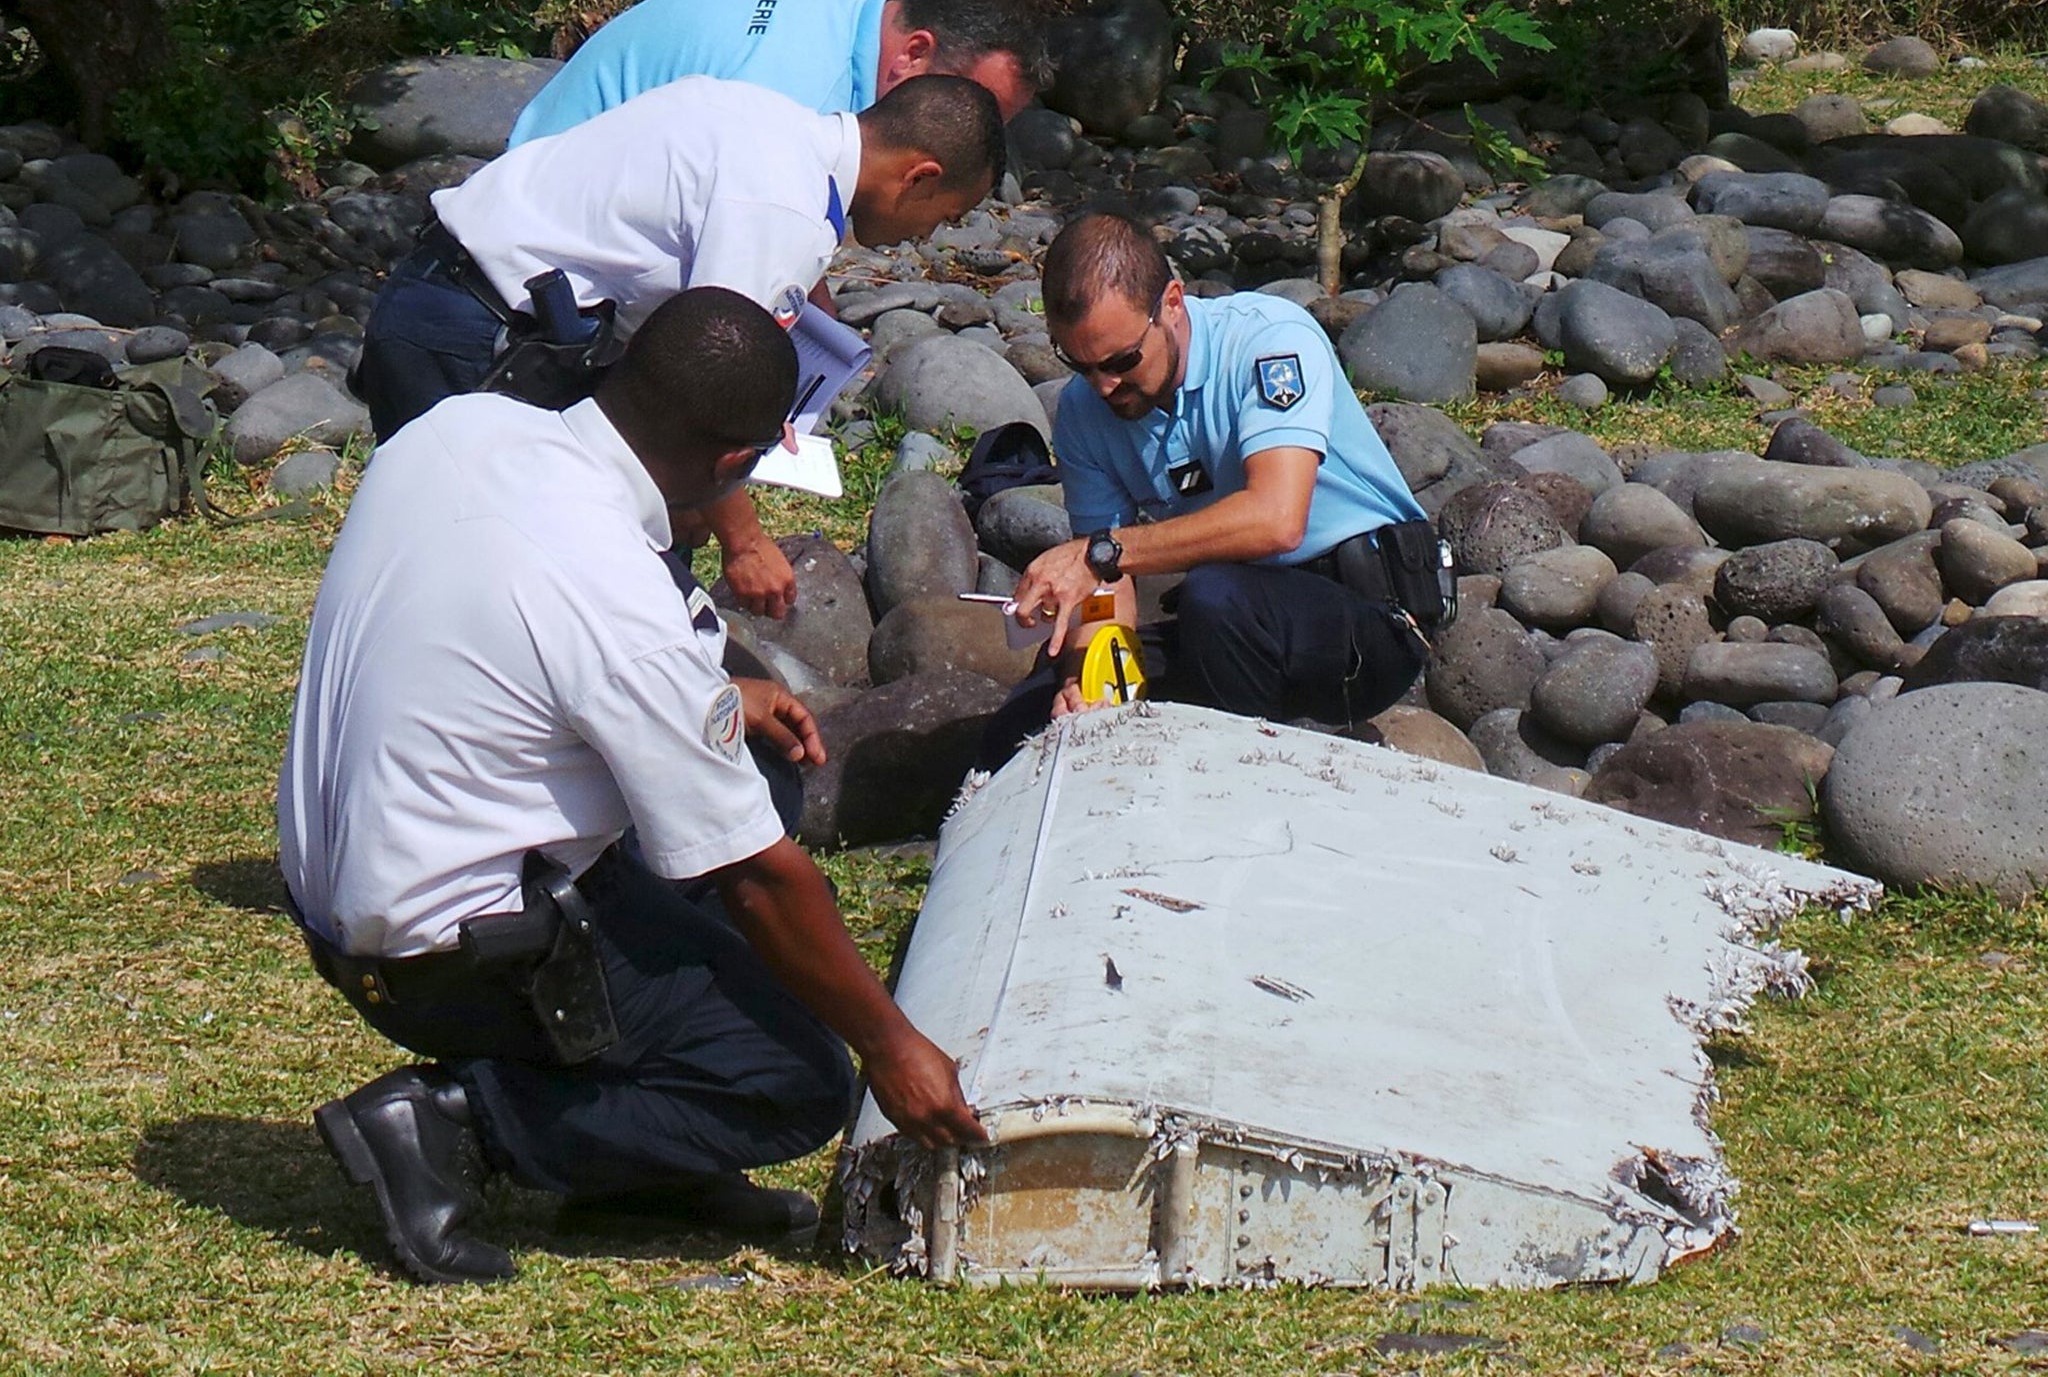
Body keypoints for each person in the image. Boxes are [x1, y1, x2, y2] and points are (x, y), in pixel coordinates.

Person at [282, 288, 987, 1284]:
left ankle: (642, 1165)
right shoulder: (612, 594)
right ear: (732, 463)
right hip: (445, 953)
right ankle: (455, 1125)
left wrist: (722, 700)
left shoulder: (460, 427)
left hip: (339, 890)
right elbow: (759, 879)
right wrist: (890, 1044)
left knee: (753, 778)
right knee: (787, 1079)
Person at [351, 72, 1006, 615]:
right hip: (480, 335)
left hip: (444, 295)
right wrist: (743, 540)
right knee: (476, 581)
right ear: (919, 175)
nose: (924, 238)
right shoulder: (786, 208)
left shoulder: (765, 115)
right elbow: (709, 384)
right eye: (942, 216)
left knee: (458, 558)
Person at [988, 210, 1432, 753]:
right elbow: (1107, 587)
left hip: (1366, 619)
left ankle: (1243, 784)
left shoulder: (1270, 342)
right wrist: (1090, 684)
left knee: (1214, 596)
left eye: (1122, 360)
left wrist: (1102, 551)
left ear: (1172, 303)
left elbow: (1276, 521)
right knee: (1038, 703)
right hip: (1232, 622)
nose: (1104, 386)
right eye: (1079, 365)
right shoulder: (1085, 412)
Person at [510, 0, 1049, 146]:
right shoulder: (797, 107)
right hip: (537, 250)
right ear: (914, 52)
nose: (975, 142)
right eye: (976, 112)